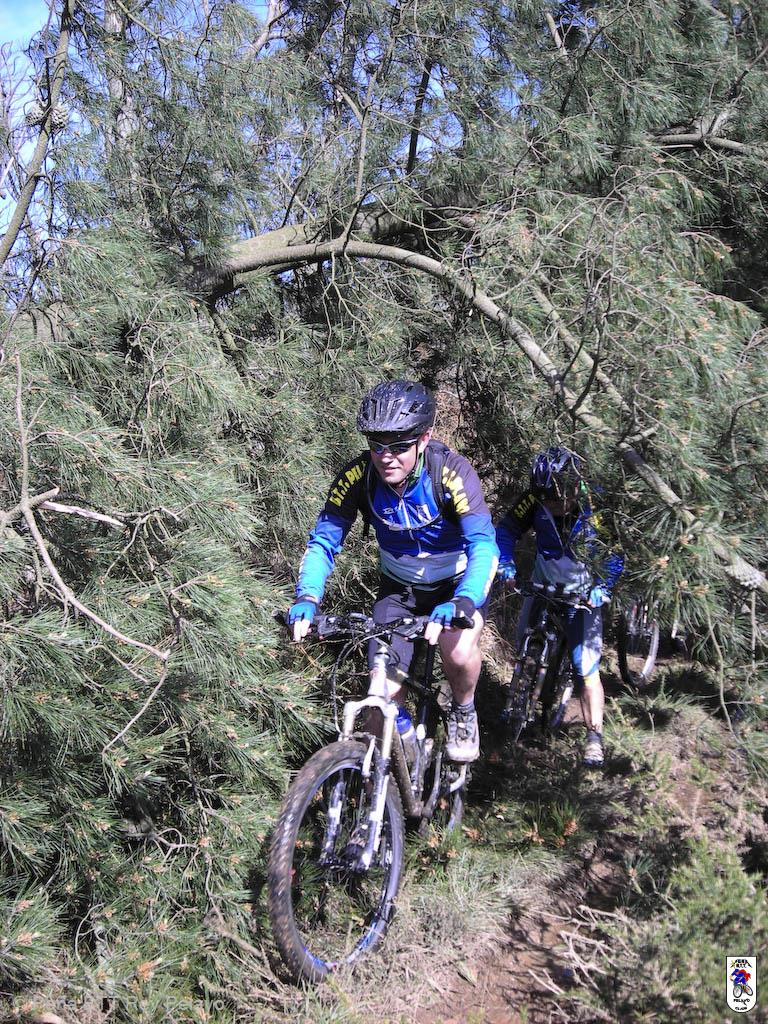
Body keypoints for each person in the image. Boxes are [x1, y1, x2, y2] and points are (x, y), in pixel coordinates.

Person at [287, 380, 499, 762]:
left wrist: (465, 600)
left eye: (399, 446)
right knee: (379, 698)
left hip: (455, 586)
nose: (386, 457)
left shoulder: (451, 473)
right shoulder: (358, 477)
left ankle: (464, 710)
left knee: (457, 649)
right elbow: (323, 543)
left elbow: (483, 545)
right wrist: (307, 596)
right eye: (377, 445)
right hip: (399, 591)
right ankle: (389, 777)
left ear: (424, 439)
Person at [495, 446, 624, 767]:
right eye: (544, 498)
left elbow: (616, 550)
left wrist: (604, 587)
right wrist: (506, 564)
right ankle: (517, 699)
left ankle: (594, 737)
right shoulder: (535, 498)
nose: (550, 504)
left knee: (585, 666)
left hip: (583, 595)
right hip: (543, 583)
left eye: (555, 497)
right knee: (522, 640)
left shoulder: (597, 506)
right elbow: (507, 530)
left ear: (574, 486)